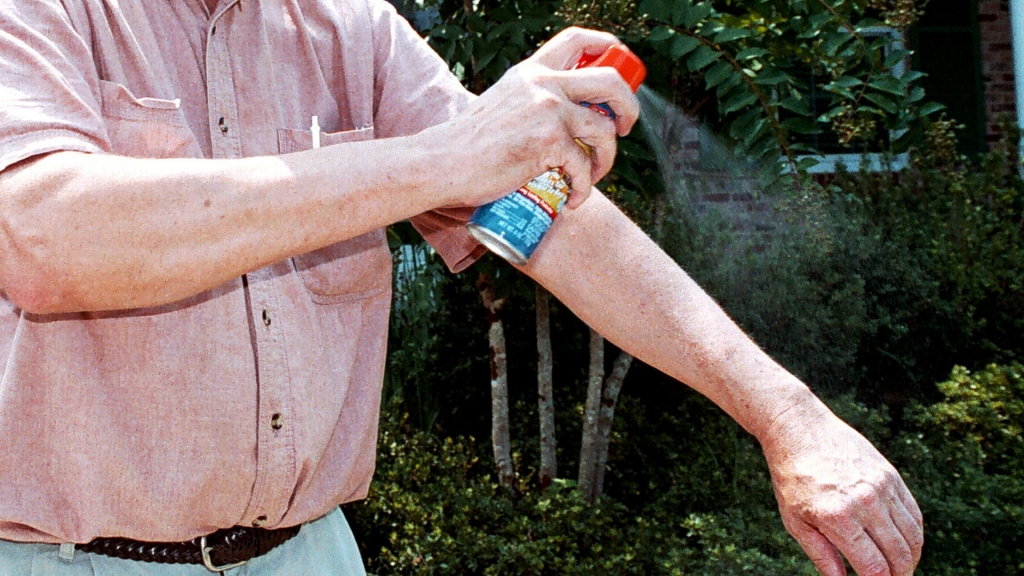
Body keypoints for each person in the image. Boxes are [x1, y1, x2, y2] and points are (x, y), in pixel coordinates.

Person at [0, 0, 922, 574]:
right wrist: (446, 155)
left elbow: (562, 226)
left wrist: (790, 419)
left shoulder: (349, 26)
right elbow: (46, 233)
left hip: (309, 556)